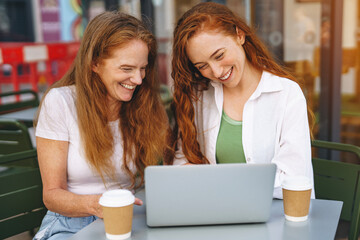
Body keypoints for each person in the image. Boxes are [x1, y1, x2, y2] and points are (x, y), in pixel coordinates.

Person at [33, 11, 169, 239]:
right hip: (70, 225)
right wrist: (97, 205)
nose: (138, 79)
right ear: (95, 63)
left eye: (142, 68)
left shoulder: (144, 104)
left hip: (129, 220)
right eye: (127, 69)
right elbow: (52, 196)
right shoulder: (61, 102)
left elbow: (171, 167)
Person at [166, 2, 314, 199]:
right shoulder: (200, 96)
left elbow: (293, 175)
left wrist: (216, 182)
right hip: (217, 211)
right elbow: (181, 156)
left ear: (239, 35)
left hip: (278, 213)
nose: (216, 72)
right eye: (202, 66)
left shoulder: (286, 93)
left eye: (219, 55)